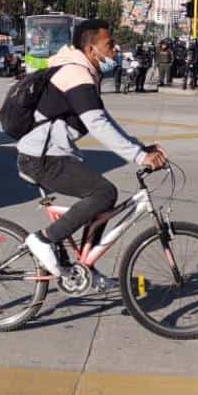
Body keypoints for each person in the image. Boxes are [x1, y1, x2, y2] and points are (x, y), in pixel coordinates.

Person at [16, 19, 168, 282]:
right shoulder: (75, 73)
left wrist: (139, 147)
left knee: (101, 201)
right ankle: (44, 239)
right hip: (40, 157)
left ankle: (87, 266)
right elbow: (96, 124)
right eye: (109, 44)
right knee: (103, 193)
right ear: (90, 49)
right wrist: (139, 156)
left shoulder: (84, 72)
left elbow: (103, 118)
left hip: (51, 154)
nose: (115, 49)